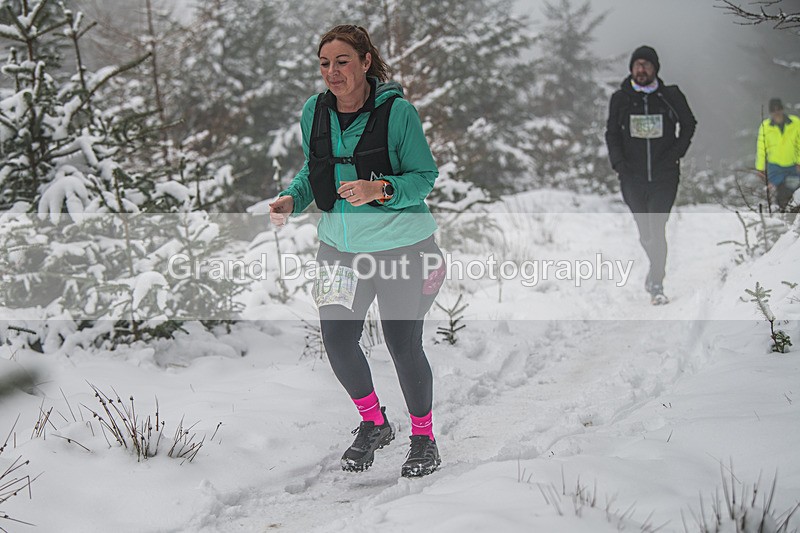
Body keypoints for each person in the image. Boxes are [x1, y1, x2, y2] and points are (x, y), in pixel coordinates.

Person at [269, 25, 445, 478]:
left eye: (342, 61)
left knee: (402, 345)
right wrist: (294, 197)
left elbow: (424, 176)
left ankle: (423, 438)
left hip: (402, 246)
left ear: (366, 62)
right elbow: (315, 169)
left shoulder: (397, 113)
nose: (333, 72)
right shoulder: (315, 111)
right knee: (338, 340)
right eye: (325, 63)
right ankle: (374, 423)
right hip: (338, 248)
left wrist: (380, 188)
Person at [605, 45, 697, 305]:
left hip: (664, 175)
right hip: (632, 177)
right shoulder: (621, 98)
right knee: (645, 232)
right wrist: (618, 163)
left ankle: (657, 281)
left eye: (646, 64)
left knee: (657, 227)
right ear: (631, 69)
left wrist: (676, 153)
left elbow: (689, 123)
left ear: (655, 69)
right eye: (637, 65)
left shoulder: (670, 95)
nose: (641, 69)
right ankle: (655, 269)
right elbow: (611, 133)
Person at [756, 98, 800, 211]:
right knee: (781, 195)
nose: (776, 112)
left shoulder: (795, 123)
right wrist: (760, 168)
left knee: (795, 194)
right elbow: (761, 148)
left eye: (778, 108)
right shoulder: (765, 126)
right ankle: (784, 218)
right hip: (775, 167)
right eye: (773, 110)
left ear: (782, 109)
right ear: (770, 112)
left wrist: (799, 162)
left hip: (793, 166)